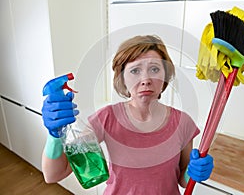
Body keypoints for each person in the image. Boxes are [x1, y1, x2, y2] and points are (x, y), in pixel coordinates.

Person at [41, 35, 214, 195]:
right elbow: (53, 175)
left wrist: (193, 172)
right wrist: (54, 136)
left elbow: (182, 180)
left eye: (154, 69)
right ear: (122, 78)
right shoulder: (107, 117)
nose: (145, 79)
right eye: (135, 71)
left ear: (165, 76)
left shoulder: (183, 122)